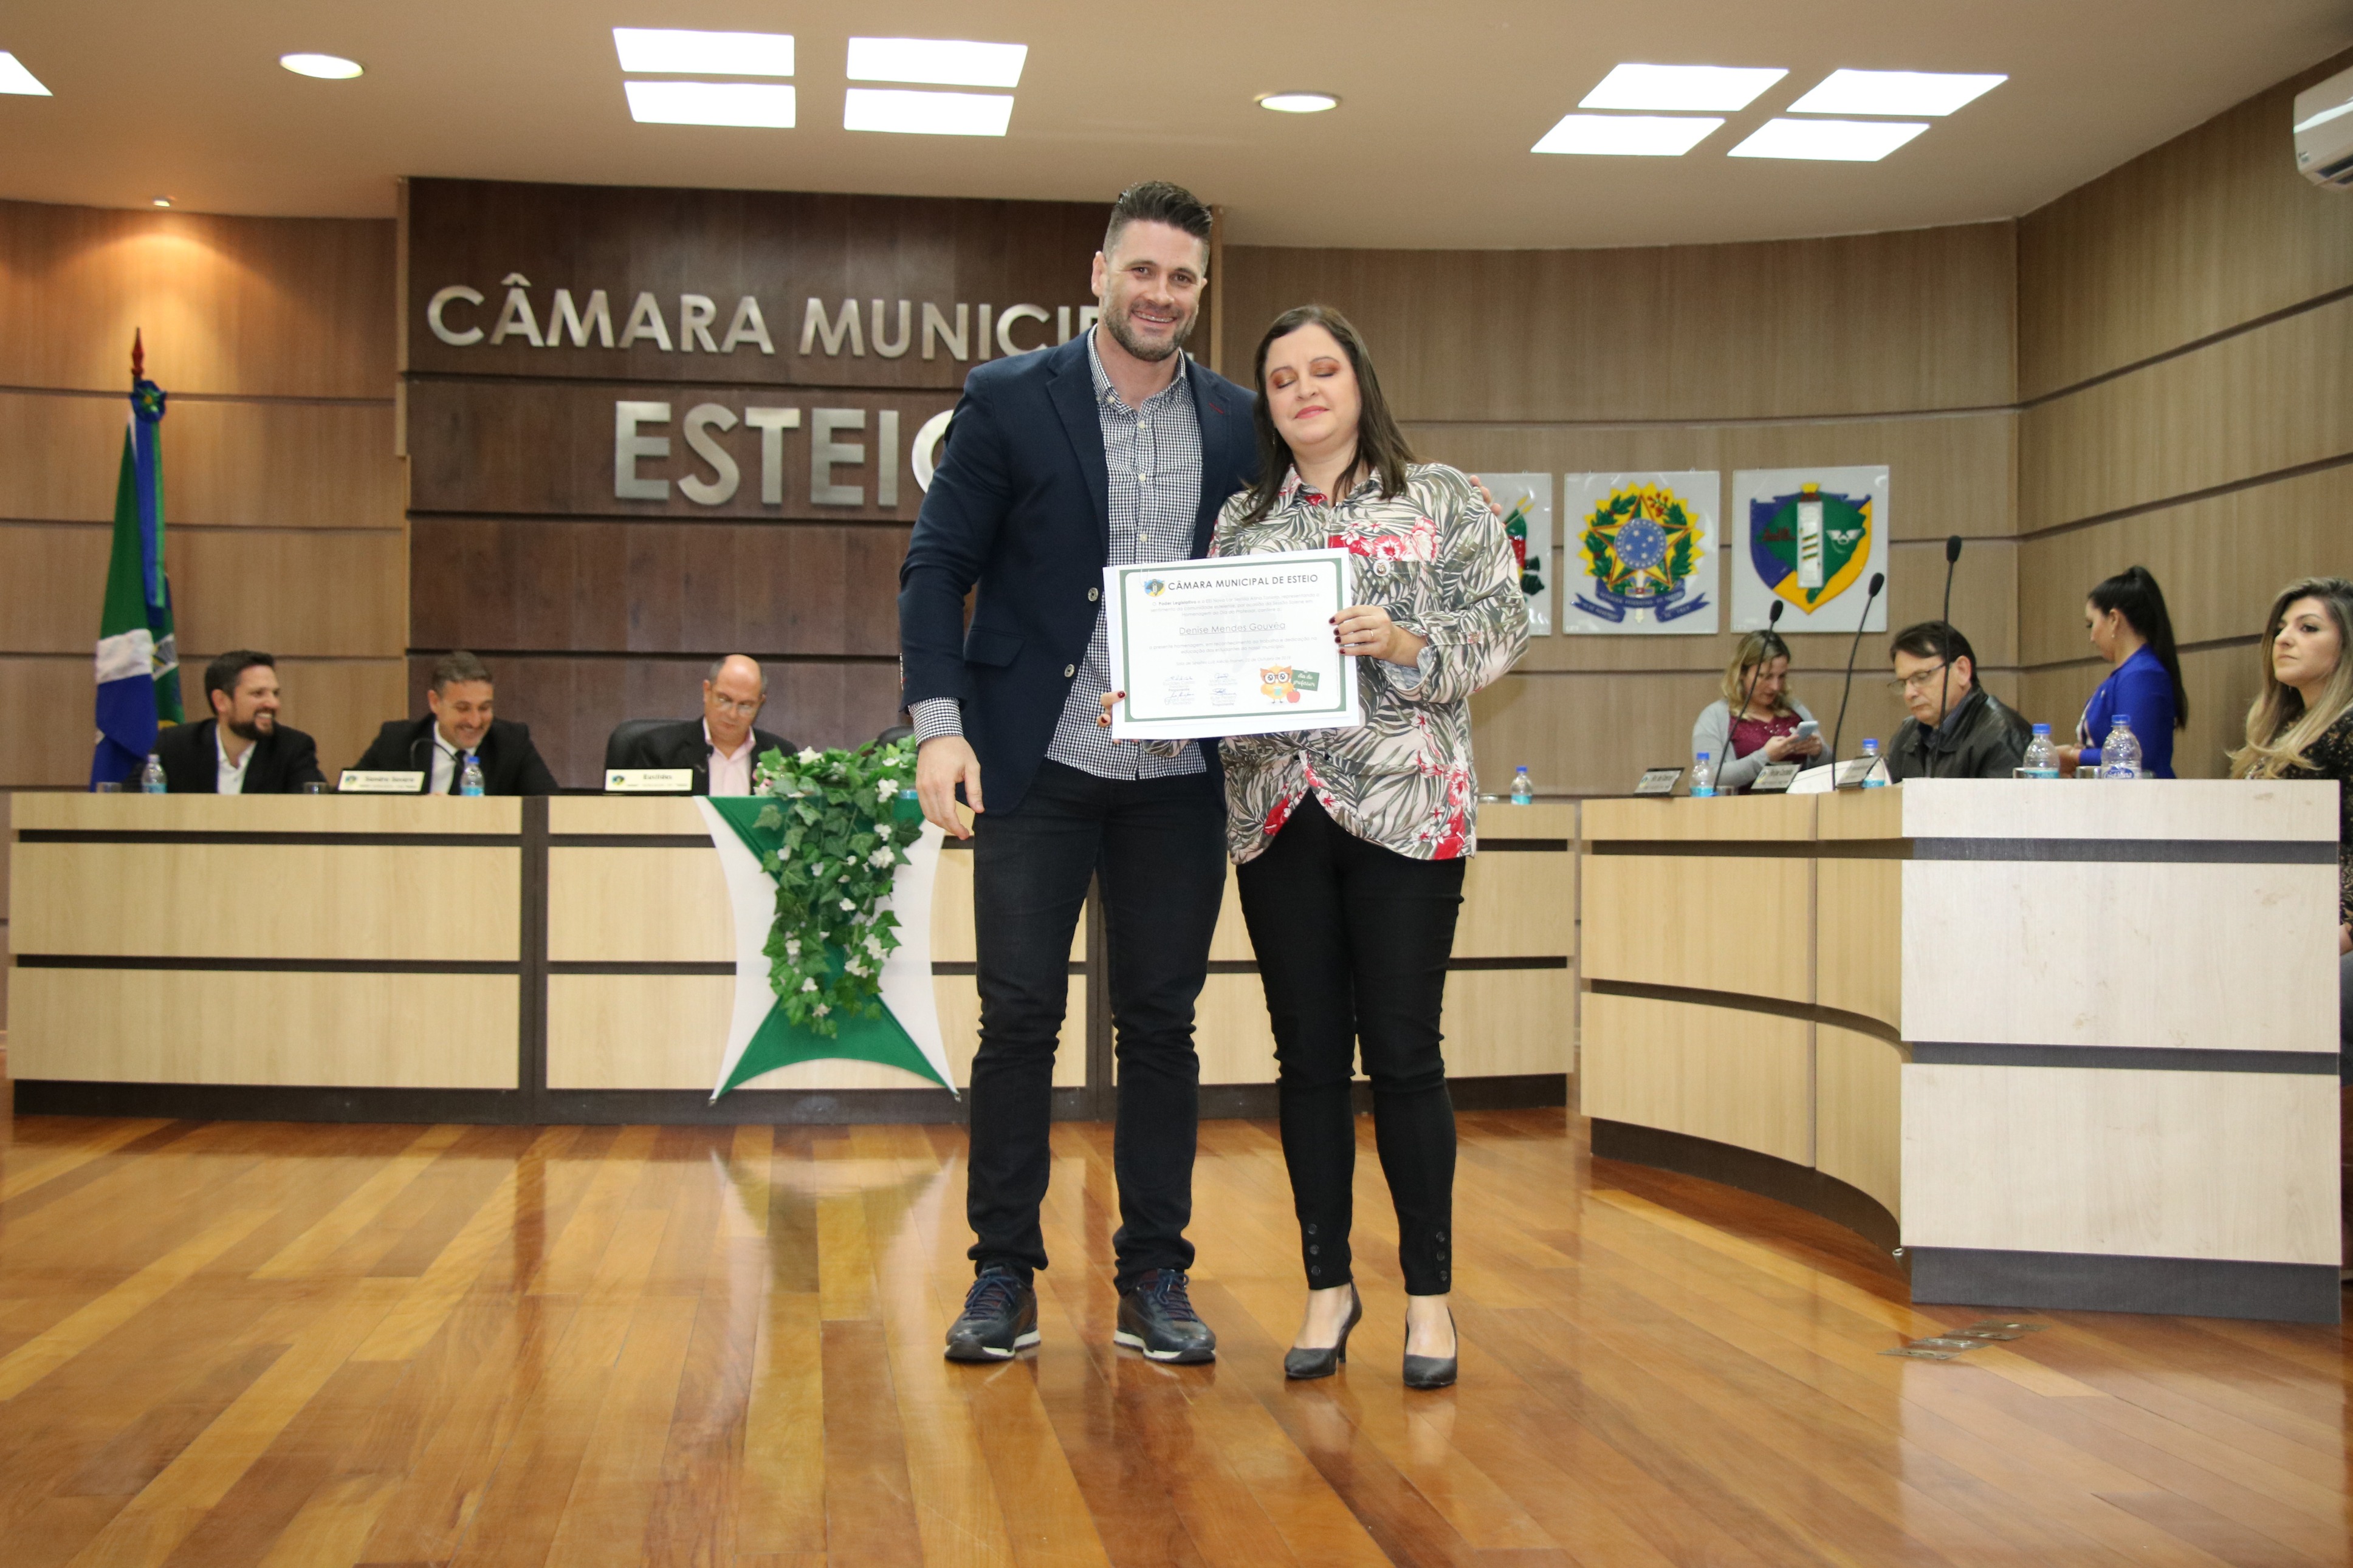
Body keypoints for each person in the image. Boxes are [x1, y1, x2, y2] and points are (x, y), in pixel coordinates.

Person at [899, 181, 1259, 1364]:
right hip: (1035, 762)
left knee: (1160, 1025)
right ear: (1099, 272)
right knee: (1018, 1019)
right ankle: (1001, 1272)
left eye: (1182, 277)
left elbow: (1291, 558)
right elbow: (935, 568)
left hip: (1178, 777)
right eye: (1141, 270)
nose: (1160, 294)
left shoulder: (1238, 421)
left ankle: (1154, 1274)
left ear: (1200, 291)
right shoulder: (1010, 398)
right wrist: (939, 726)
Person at [1155, 304, 1525, 1388]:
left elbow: (1505, 625)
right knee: (1308, 1060)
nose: (1304, 390)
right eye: (1282, 379)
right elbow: (1213, 657)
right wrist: (1166, 694)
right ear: (1266, 405)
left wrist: (1407, 641)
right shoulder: (1241, 523)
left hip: (1408, 811)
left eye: (1323, 370)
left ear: (1359, 381)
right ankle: (1327, 1285)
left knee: (1405, 1054)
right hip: (1277, 812)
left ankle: (1429, 1300)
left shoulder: (1441, 496)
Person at [2225, 578, 2353, 1267]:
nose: (2284, 638)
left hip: (2335, 932)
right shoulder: (2277, 730)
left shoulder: (2351, 728)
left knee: (2307, 1003)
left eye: (2307, 627)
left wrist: (2342, 932)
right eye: (2281, 627)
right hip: (2280, 924)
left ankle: (2315, 1216)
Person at [353, 650, 559, 795]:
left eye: (484, 708)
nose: (475, 722)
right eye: (463, 708)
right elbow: (348, 799)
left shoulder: (511, 744)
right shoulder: (396, 742)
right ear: (435, 702)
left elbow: (550, 808)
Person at [2053, 565, 2187, 778]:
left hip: (2145, 796)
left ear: (2114, 619)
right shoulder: (2129, 674)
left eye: (2091, 624)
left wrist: (2075, 756)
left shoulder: (2142, 675)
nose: (2092, 638)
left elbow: (2137, 756)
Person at [616, 655, 794, 795]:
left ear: (760, 703)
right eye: (724, 700)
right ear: (707, 691)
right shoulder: (658, 751)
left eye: (745, 705)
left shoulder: (783, 756)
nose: (732, 714)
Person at [152, 650, 325, 793]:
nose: (273, 704)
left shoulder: (292, 748)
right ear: (221, 701)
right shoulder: (174, 745)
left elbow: (313, 810)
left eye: (275, 694)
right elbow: (139, 802)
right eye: (258, 694)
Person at [1884, 621, 2031, 781]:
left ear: (1962, 670)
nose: (1909, 694)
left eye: (1922, 677)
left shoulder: (2002, 734)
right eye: (1903, 683)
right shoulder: (1907, 733)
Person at [1690, 631, 1822, 792]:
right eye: (1765, 677)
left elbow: (1828, 771)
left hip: (1798, 804)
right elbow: (1709, 777)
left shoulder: (1796, 710)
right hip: (1741, 806)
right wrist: (1765, 757)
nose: (1775, 686)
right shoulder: (1715, 716)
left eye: (1781, 677)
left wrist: (1819, 752)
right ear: (1741, 673)